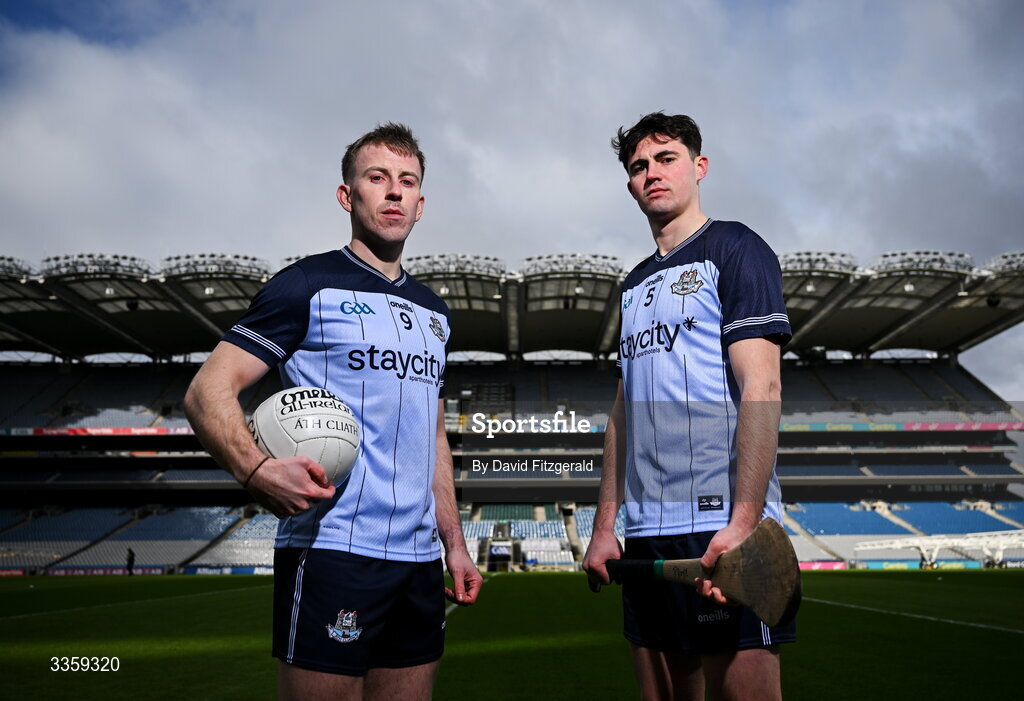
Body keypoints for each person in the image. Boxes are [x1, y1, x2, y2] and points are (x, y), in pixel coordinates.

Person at [184, 122, 481, 700]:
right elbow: (206, 392)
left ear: (421, 204)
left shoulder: (435, 312)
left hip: (420, 563)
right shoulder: (306, 285)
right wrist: (254, 468)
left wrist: (455, 543)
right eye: (377, 178)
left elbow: (433, 437)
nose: (394, 192)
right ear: (348, 196)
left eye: (407, 182)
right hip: (333, 550)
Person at [582, 112, 795, 701]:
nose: (652, 173)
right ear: (630, 184)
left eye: (666, 158)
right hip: (648, 534)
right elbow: (623, 416)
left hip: (721, 528)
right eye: (638, 166)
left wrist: (744, 524)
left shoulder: (736, 248)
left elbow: (762, 389)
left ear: (699, 167)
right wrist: (606, 528)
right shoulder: (632, 287)